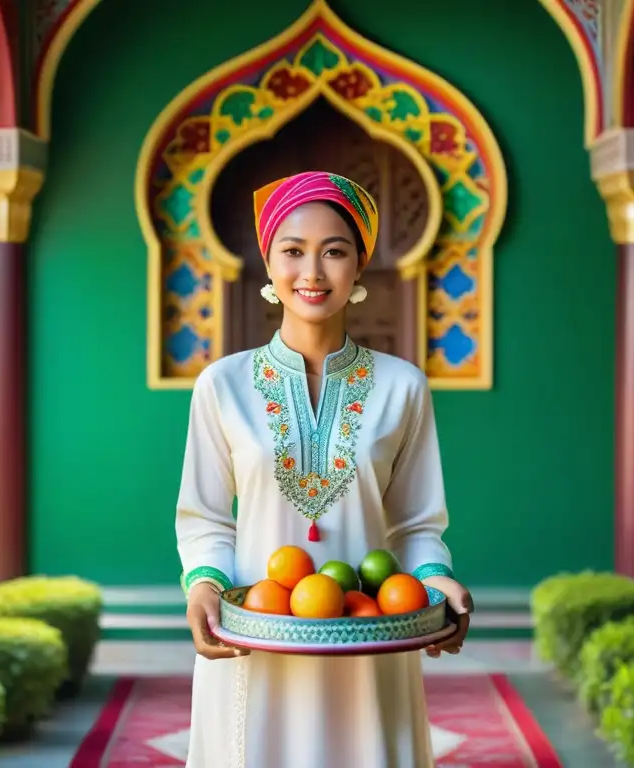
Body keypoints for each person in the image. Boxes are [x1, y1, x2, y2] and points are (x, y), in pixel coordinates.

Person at [176, 171, 473, 768]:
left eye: (334, 251)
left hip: (369, 639)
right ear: (267, 261)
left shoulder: (402, 386)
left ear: (358, 267)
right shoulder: (222, 385)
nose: (312, 271)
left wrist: (436, 582)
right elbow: (205, 515)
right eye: (293, 251)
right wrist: (203, 587)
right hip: (254, 635)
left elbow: (416, 522)